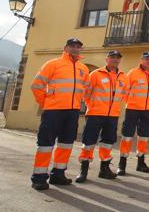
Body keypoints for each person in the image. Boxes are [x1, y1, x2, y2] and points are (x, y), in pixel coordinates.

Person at [30, 38, 90, 190]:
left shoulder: (83, 68)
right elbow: (36, 85)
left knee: (66, 144)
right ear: (65, 48)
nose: (75, 49)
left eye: (78, 47)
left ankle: (58, 174)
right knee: (45, 144)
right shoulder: (53, 64)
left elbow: (86, 90)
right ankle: (39, 177)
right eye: (72, 46)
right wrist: (46, 103)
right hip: (53, 111)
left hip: (73, 112)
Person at [76, 50, 129, 183]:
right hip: (95, 114)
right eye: (112, 57)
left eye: (117, 58)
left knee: (108, 143)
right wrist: (92, 106)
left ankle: (104, 169)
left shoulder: (123, 77)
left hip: (112, 115)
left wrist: (115, 108)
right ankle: (84, 170)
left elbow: (124, 94)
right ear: (107, 59)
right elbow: (86, 93)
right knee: (89, 142)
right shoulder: (95, 74)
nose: (115, 60)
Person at [117, 51, 149, 175]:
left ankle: (141, 163)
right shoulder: (132, 73)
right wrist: (131, 103)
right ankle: (122, 163)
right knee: (127, 136)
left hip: (147, 110)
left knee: (144, 137)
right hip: (132, 109)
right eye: (146, 59)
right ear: (141, 59)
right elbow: (125, 90)